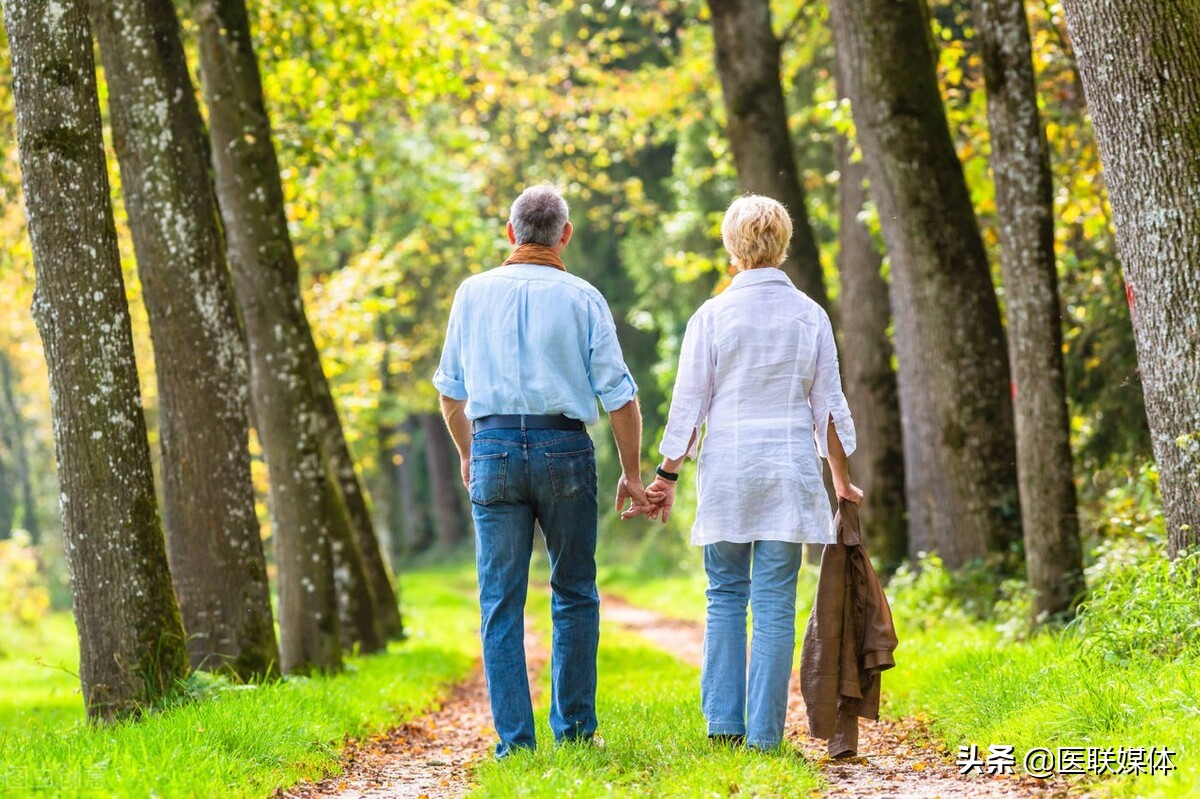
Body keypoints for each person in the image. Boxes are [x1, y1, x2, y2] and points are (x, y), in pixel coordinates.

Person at [433, 184, 648, 758]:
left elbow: (452, 395)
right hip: (564, 449)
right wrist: (632, 473)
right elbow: (620, 397)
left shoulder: (472, 294)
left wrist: (467, 453)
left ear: (510, 233)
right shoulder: (584, 298)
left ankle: (514, 745)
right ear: (565, 235)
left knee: (500, 600)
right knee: (574, 589)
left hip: (494, 446)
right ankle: (575, 732)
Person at [642, 194, 863, 751]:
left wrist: (666, 476)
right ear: (784, 245)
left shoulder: (712, 316)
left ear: (731, 248)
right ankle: (766, 737)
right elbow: (828, 407)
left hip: (730, 473)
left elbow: (689, 404)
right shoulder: (809, 315)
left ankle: (724, 728)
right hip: (788, 471)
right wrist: (840, 480)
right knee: (773, 602)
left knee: (724, 595)